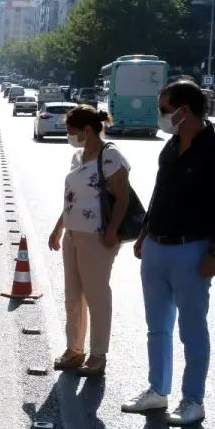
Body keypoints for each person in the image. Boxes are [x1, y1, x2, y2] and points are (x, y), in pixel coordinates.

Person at [122, 81, 215, 426]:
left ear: (182, 111)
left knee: (191, 330)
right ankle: (157, 392)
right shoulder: (171, 146)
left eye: (163, 109)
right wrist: (144, 233)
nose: (160, 116)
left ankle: (193, 401)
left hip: (193, 249)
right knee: (156, 327)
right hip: (158, 247)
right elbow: (159, 193)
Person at [47, 106, 130, 378]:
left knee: (96, 295)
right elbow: (72, 197)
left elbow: (122, 198)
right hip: (73, 233)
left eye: (71, 130)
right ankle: (74, 349)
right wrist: (59, 228)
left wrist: (112, 232)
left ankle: (98, 355)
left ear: (87, 130)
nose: (68, 135)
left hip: (97, 235)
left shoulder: (110, 156)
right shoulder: (77, 157)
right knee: (73, 294)